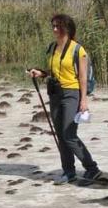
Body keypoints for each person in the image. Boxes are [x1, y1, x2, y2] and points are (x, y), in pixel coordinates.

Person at [27, 14, 102, 185]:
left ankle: (92, 168)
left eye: (58, 26)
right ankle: (69, 172)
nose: (54, 29)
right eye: (53, 26)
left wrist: (83, 100)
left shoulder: (78, 50)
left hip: (71, 93)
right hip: (55, 93)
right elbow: (54, 71)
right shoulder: (53, 47)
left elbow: (82, 77)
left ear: (67, 28)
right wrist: (41, 73)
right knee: (61, 135)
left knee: (69, 135)